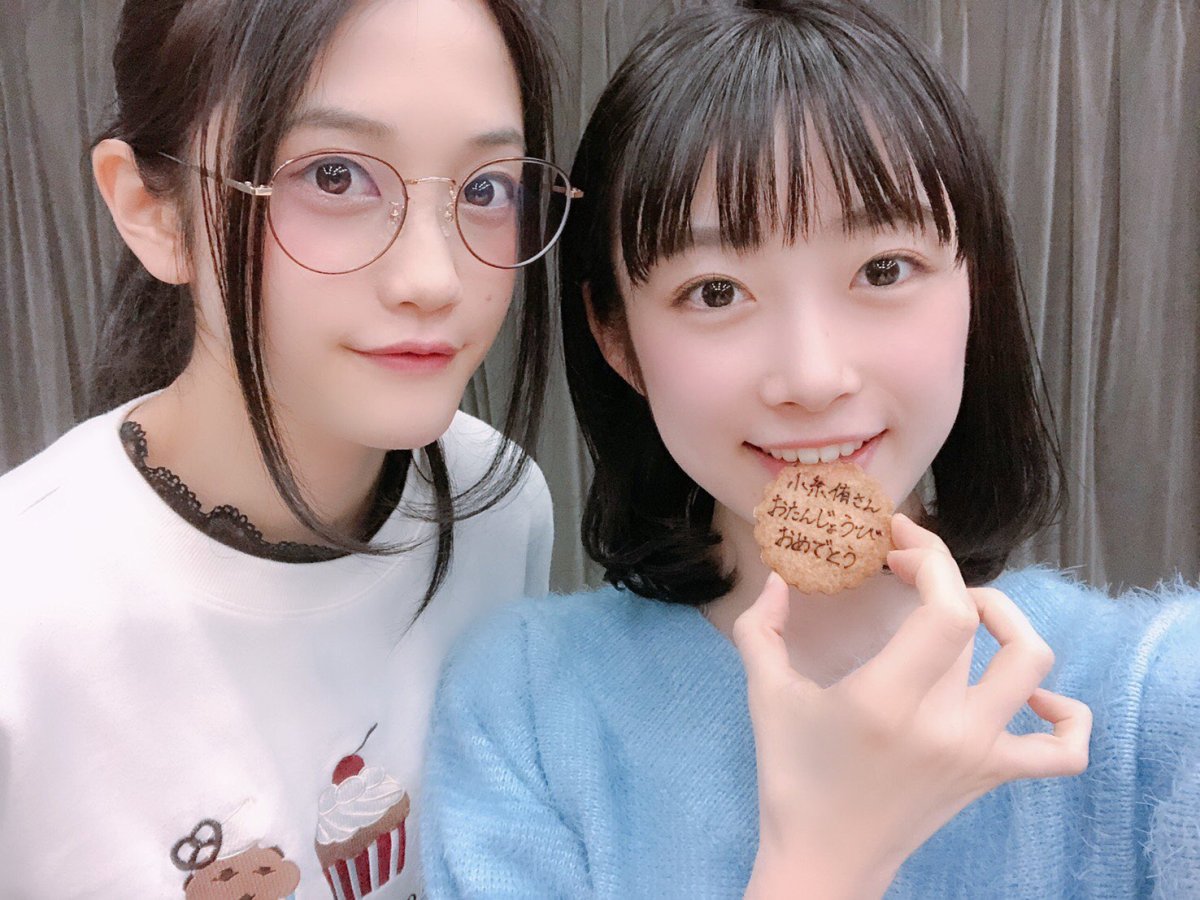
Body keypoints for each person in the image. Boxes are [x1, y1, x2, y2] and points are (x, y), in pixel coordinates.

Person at [420, 1, 1200, 897]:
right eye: (716, 291)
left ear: (974, 284)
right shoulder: (521, 713)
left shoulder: (1155, 699)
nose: (813, 376)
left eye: (883, 270)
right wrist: (826, 860)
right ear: (617, 338)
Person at [0, 0, 579, 896]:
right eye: (336, 176)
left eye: (485, 189)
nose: (433, 278)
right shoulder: (25, 613)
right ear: (151, 210)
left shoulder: (501, 512)